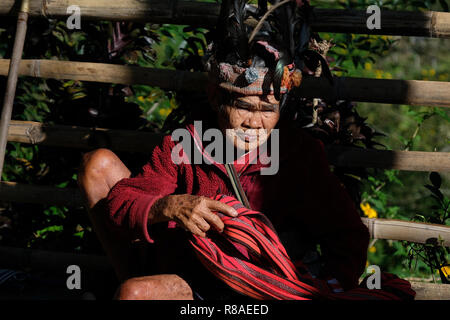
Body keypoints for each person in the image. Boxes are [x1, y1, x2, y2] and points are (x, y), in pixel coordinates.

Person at [77, 1, 412, 300]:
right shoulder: (187, 142)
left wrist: (322, 289)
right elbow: (124, 199)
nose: (254, 123)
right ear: (215, 98)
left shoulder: (297, 154)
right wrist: (169, 206)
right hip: (199, 280)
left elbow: (346, 234)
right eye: (243, 107)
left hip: (266, 287)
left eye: (267, 110)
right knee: (135, 292)